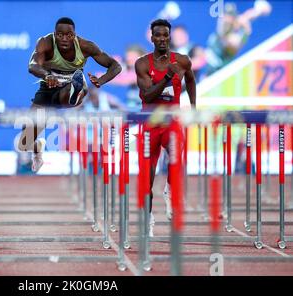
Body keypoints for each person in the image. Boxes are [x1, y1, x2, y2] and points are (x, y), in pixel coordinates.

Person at [18, 17, 121, 172]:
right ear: (55, 34)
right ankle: (37, 150)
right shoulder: (45, 42)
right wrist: (47, 75)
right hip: (47, 88)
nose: (64, 39)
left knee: (69, 92)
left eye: (69, 35)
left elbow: (115, 66)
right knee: (24, 142)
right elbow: (32, 65)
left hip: (70, 88)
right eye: (60, 35)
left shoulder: (86, 46)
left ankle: (75, 89)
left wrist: (101, 80)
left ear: (74, 35)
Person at [135, 19, 196, 237]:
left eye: (165, 35)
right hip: (150, 123)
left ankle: (169, 190)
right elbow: (148, 95)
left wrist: (194, 107)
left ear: (169, 37)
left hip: (172, 122)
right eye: (158, 35)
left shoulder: (182, 61)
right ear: (152, 38)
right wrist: (168, 77)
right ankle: (149, 218)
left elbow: (190, 80)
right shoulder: (142, 64)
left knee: (175, 159)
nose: (162, 38)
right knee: (147, 176)